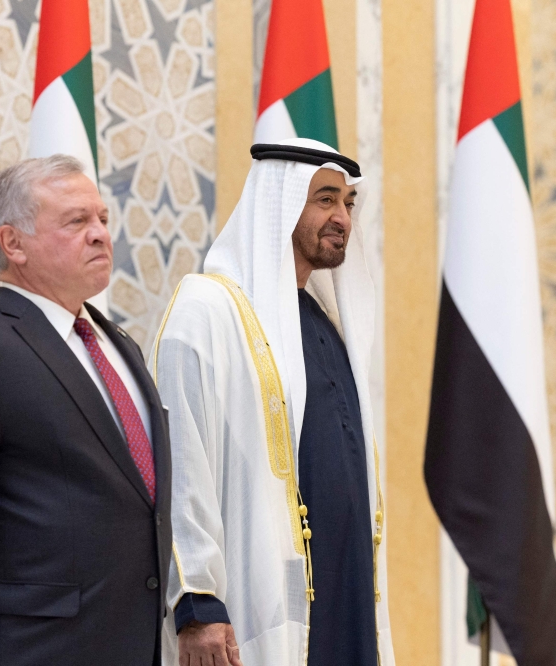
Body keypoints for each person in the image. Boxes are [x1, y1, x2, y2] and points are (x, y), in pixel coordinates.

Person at [0, 155, 172, 666]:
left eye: (102, 218)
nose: (100, 234)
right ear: (12, 244)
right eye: (76, 221)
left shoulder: (119, 345)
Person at [151, 139, 394, 666]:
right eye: (324, 199)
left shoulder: (325, 321)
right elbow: (179, 460)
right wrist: (197, 600)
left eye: (348, 202)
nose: (342, 217)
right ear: (277, 204)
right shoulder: (208, 310)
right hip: (252, 608)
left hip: (347, 597)